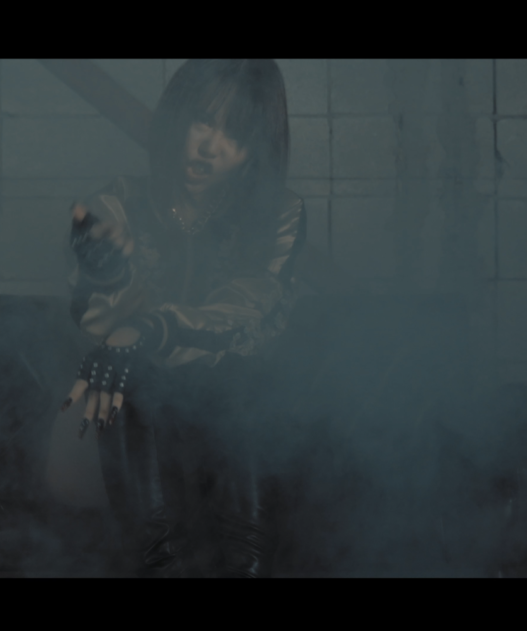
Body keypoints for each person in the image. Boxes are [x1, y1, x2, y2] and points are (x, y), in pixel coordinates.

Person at [61, 59, 306, 577]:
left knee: (242, 382)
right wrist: (106, 279)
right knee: (129, 377)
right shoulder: (116, 203)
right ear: (177, 117)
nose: (210, 148)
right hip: (122, 415)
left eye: (235, 135)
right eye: (203, 121)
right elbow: (98, 327)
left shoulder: (279, 215)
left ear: (257, 149)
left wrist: (151, 328)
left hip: (231, 422)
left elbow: (247, 311)